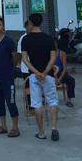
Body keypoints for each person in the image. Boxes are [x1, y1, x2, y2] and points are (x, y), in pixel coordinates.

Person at [21, 13, 60, 142]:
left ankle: (41, 132)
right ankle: (53, 128)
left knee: (37, 103)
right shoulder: (49, 38)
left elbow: (25, 59)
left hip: (34, 76)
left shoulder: (26, 39)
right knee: (52, 101)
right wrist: (45, 72)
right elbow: (53, 57)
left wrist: (37, 72)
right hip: (48, 76)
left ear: (30, 23)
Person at [55, 30, 76, 108]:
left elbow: (64, 69)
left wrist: (59, 79)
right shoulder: (48, 53)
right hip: (51, 73)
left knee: (71, 80)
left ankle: (69, 100)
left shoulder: (62, 53)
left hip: (61, 73)